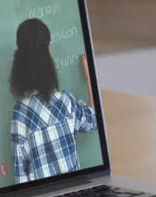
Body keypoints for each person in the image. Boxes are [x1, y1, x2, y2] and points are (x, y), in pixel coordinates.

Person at [8, 17, 97, 183]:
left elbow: (21, 179)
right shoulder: (64, 102)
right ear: (48, 53)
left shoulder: (19, 116)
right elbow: (93, 120)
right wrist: (90, 77)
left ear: (19, 60)